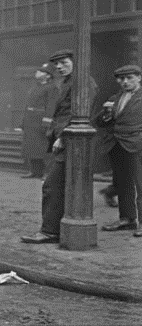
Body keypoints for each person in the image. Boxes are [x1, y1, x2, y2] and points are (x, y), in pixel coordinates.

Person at [21, 49, 97, 244]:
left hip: (71, 140)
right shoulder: (67, 83)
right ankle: (57, 228)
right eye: (57, 65)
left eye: (64, 63)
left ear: (76, 62)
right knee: (58, 186)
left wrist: (63, 136)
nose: (59, 67)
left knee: (52, 186)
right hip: (64, 139)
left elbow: (81, 113)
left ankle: (50, 231)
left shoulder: (82, 82)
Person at [93, 65, 142, 238]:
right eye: (121, 79)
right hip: (117, 146)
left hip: (137, 145)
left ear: (139, 78)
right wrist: (106, 115)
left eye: (129, 78)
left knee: (140, 184)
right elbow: (98, 121)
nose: (125, 82)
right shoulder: (115, 98)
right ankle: (127, 219)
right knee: (122, 184)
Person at [20, 63, 59, 178]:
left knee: (43, 148)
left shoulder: (52, 88)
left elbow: (51, 106)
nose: (38, 72)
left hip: (40, 122)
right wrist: (23, 123)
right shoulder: (35, 87)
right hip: (30, 122)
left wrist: (47, 124)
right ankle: (34, 171)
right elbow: (28, 105)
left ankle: (46, 173)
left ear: (48, 76)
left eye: (41, 71)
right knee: (31, 148)